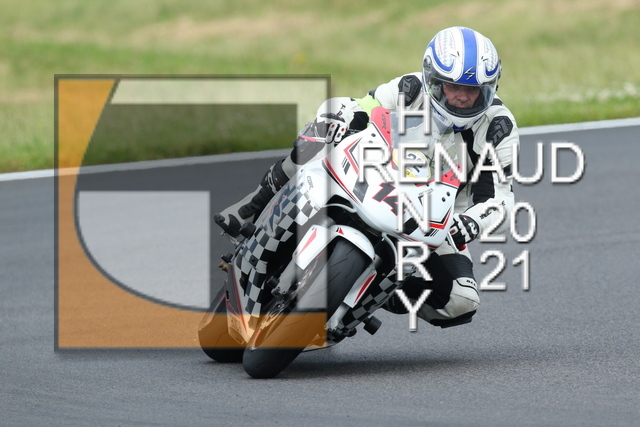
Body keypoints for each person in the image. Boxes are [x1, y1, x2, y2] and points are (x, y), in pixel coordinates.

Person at [215, 26, 518, 328]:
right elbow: (364, 107)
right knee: (317, 137)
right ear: (434, 80)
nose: (463, 98)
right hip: (376, 177)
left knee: (461, 301)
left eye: (473, 90)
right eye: (454, 87)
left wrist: (471, 223)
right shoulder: (411, 88)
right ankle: (251, 206)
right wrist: (339, 118)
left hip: (435, 220)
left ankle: (371, 292)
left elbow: (501, 199)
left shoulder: (498, 127)